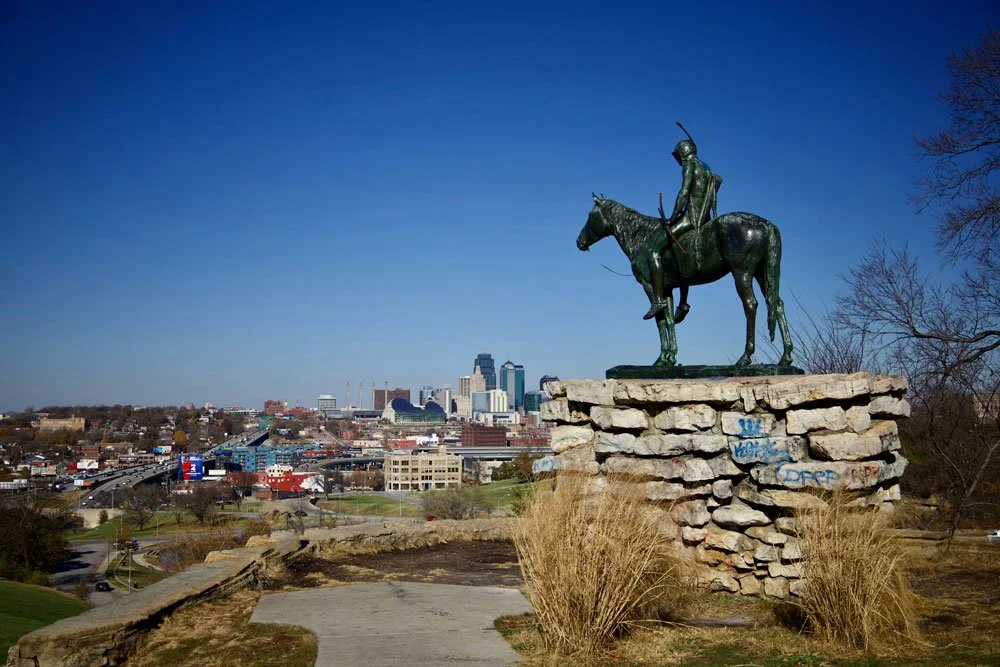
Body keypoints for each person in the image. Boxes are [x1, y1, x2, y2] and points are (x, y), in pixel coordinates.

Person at [643, 137, 723, 320]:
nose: (678, 161)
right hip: (705, 219)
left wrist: (672, 218)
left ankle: (658, 300)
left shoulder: (690, 165)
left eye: (678, 157)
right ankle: (683, 303)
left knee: (654, 251)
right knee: (679, 253)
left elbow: (684, 193)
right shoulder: (706, 167)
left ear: (683, 153)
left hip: (691, 219)